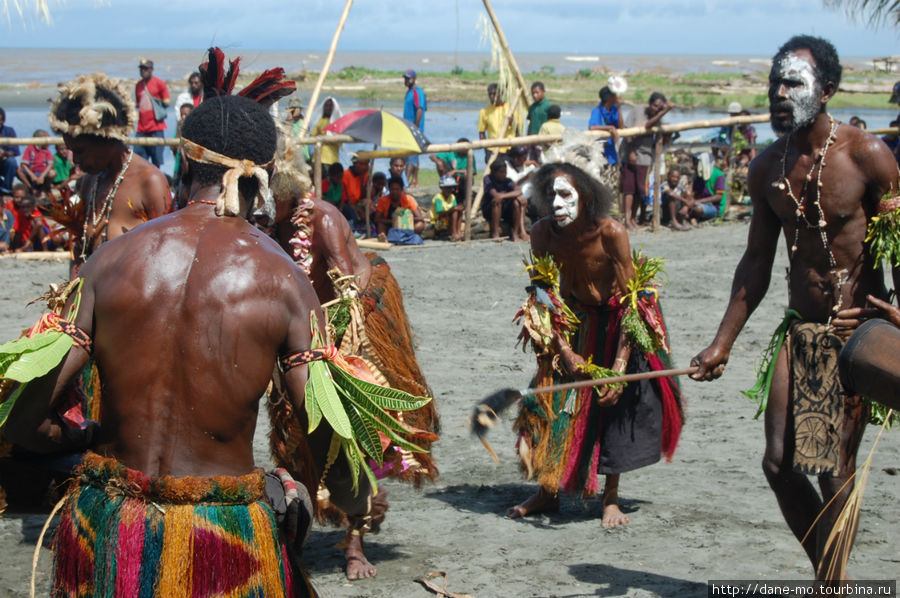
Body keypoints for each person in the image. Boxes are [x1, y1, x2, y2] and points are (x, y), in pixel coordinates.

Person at [690, 35, 900, 580]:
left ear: (827, 90)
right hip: (803, 330)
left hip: (860, 332)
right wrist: (722, 342)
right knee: (780, 463)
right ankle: (831, 577)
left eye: (793, 83)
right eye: (774, 83)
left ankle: (832, 583)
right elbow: (756, 262)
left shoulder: (868, 156)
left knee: (833, 468)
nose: (779, 93)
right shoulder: (766, 168)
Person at [267, 154, 439, 580]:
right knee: (291, 428)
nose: (261, 206)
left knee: (351, 430)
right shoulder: (268, 225)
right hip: (303, 327)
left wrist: (327, 354)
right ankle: (300, 520)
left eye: (268, 198)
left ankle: (356, 543)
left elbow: (348, 294)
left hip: (354, 318)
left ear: (288, 196)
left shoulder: (320, 220)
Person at [507, 162, 683, 527]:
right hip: (571, 321)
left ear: (584, 197)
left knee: (611, 407)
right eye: (550, 196)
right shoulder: (542, 233)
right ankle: (548, 490)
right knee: (552, 399)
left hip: (618, 323)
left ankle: (611, 497)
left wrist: (618, 371)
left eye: (565, 195)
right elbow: (542, 295)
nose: (556, 204)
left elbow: (635, 302)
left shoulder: (611, 232)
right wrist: (562, 349)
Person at [49, 72, 171, 271]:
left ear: (105, 139)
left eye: (80, 151)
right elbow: (80, 252)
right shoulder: (89, 182)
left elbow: (167, 255)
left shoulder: (150, 181)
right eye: (72, 152)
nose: (76, 161)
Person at [620, 92, 674, 230]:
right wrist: (631, 151)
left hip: (645, 157)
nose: (656, 109)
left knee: (639, 190)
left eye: (659, 108)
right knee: (629, 189)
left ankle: (633, 218)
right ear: (650, 103)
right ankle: (626, 219)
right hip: (631, 153)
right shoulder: (638, 111)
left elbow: (659, 136)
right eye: (655, 106)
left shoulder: (657, 118)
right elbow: (639, 128)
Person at [133, 59, 170, 168]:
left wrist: (155, 103)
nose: (143, 71)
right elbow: (137, 104)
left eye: (146, 68)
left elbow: (166, 102)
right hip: (141, 129)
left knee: (156, 162)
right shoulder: (138, 85)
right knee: (139, 161)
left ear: (151, 70)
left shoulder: (160, 83)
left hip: (156, 128)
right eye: (141, 68)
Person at [480, 159, 529, 242]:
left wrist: (503, 196)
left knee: (516, 202)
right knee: (497, 201)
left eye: (505, 172)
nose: (504, 174)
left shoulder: (507, 181)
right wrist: (506, 196)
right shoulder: (488, 179)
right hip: (490, 209)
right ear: (494, 172)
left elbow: (519, 191)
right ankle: (495, 233)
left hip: (505, 209)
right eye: (501, 172)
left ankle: (515, 233)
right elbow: (495, 195)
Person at [478, 83, 522, 166]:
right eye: (490, 94)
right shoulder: (484, 111)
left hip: (509, 148)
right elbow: (481, 133)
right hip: (492, 149)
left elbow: (517, 130)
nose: (492, 96)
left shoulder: (511, 108)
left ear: (500, 94)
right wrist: (486, 150)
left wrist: (512, 122)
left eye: (494, 94)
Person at [588, 86, 623, 170]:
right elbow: (592, 127)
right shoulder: (597, 111)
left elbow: (621, 127)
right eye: (614, 95)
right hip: (600, 155)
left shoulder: (614, 109)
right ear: (608, 97)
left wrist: (619, 107)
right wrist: (610, 127)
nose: (617, 97)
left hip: (612, 155)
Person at [430, 138, 473, 203]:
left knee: (467, 174)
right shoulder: (452, 153)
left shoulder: (469, 155)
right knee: (440, 163)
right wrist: (439, 162)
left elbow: (473, 171)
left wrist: (456, 171)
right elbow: (433, 157)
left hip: (463, 177)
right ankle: (445, 185)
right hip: (452, 176)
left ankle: (466, 198)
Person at [402, 69, 426, 187]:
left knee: (411, 155)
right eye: (405, 78)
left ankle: (406, 181)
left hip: (414, 129)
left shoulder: (417, 92)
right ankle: (415, 180)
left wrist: (415, 127)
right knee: (413, 154)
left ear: (414, 79)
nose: (407, 80)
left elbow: (420, 109)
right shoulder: (409, 93)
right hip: (407, 128)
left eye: (409, 78)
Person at [689, 152, 726, 222]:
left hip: (715, 206)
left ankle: (694, 217)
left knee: (698, 209)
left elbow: (719, 196)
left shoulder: (718, 175)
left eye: (696, 163)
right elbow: (695, 193)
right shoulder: (698, 176)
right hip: (700, 203)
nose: (694, 166)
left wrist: (699, 201)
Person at [16, 130, 55, 196]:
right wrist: (32, 175)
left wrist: (42, 176)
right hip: (32, 172)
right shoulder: (30, 148)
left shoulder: (47, 151)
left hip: (42, 173)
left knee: (52, 173)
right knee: (19, 171)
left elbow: (50, 164)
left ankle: (45, 189)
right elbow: (24, 164)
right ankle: (30, 188)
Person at [311, 96, 343, 167]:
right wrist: (318, 136)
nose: (328, 108)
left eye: (330, 106)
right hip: (317, 158)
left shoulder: (337, 122)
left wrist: (325, 138)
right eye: (326, 105)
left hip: (330, 159)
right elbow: (312, 136)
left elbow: (339, 138)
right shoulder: (319, 120)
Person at [430, 174, 463, 241]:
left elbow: (455, 208)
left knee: (458, 211)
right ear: (441, 188)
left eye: (451, 187)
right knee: (454, 211)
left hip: (448, 220)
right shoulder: (438, 198)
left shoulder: (452, 197)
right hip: (438, 222)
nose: (449, 190)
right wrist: (452, 210)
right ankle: (454, 233)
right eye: (447, 187)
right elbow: (440, 213)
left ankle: (458, 232)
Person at [660, 166, 692, 231]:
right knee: (672, 197)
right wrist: (684, 200)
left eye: (677, 177)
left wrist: (686, 207)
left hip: (677, 210)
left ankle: (682, 220)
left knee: (688, 193)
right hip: (666, 211)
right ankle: (673, 221)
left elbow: (690, 197)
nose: (675, 179)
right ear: (668, 176)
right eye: (673, 177)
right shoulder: (664, 184)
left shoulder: (679, 187)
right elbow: (670, 193)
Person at [342, 155, 370, 227]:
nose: (365, 167)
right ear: (355, 164)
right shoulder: (345, 174)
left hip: (357, 203)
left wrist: (363, 178)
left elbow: (364, 195)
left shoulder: (365, 176)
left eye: (366, 164)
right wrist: (359, 210)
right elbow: (346, 199)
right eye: (362, 164)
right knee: (351, 211)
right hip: (346, 205)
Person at [527, 81, 551, 160]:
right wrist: (527, 139)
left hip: (543, 141)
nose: (535, 95)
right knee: (533, 163)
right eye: (533, 93)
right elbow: (530, 124)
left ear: (543, 92)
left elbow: (551, 124)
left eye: (537, 93)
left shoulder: (548, 106)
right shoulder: (532, 107)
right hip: (532, 141)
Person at [0, 107, 20, 194]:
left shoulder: (9, 131)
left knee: (12, 162)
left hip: (5, 162)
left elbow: (15, 151)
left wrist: (4, 153)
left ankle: (6, 190)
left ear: (3, 120)